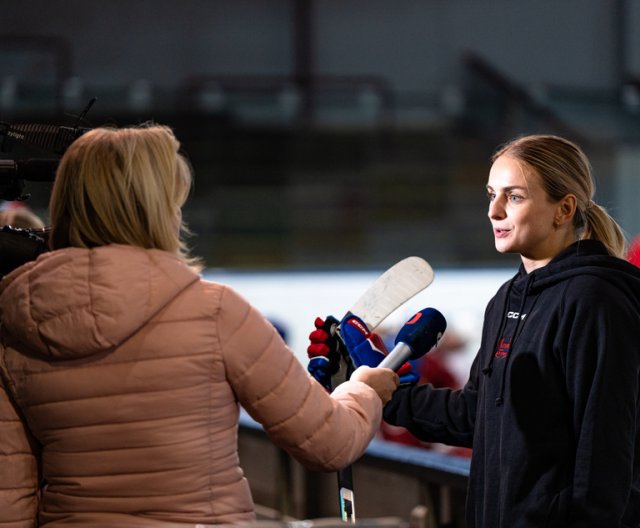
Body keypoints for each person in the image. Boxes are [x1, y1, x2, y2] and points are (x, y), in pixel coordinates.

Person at [0, 124, 400, 527]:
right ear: (156, 210)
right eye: (174, 202)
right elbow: (327, 442)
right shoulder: (215, 312)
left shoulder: (15, 325)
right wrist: (364, 390)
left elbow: (10, 503)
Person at [310, 134, 640, 527]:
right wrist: (383, 391)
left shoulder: (596, 299)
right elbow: (475, 416)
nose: (494, 210)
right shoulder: (506, 299)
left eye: (514, 196)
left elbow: (605, 451)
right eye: (491, 194)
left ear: (563, 208)